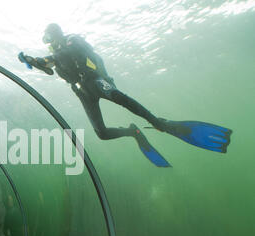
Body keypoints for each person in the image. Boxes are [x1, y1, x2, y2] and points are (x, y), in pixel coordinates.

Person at [18, 23, 233, 167]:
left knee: (120, 98)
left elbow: (71, 53)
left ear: (57, 35)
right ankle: (133, 132)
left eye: (49, 39)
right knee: (101, 133)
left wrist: (45, 59)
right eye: (47, 42)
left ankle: (157, 121)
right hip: (83, 92)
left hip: (95, 80)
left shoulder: (71, 41)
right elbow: (55, 64)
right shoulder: (56, 56)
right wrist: (39, 62)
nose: (49, 44)